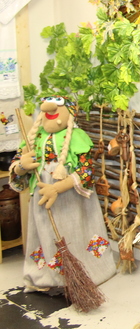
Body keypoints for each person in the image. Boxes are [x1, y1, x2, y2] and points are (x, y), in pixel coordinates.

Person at [9, 96, 115, 292]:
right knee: (46, 233)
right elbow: (17, 169)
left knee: (74, 231)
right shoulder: (34, 138)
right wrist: (21, 167)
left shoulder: (77, 136)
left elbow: (86, 171)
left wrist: (57, 188)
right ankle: (48, 275)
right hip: (42, 197)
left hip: (71, 199)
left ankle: (86, 272)